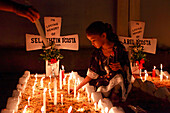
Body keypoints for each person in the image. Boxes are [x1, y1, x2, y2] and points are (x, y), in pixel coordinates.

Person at [73, 21, 132, 105]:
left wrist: (120, 67)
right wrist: (77, 88)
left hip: (119, 84)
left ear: (103, 36)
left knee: (118, 78)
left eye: (94, 40)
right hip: (103, 83)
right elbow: (91, 74)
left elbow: (127, 69)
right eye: (91, 41)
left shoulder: (119, 50)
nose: (92, 43)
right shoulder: (97, 53)